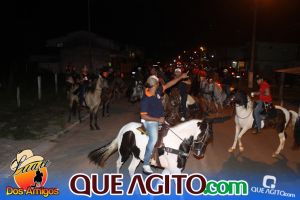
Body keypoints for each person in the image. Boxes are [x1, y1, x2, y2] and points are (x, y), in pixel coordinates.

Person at [140, 72, 189, 174]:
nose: (159, 85)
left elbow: (169, 84)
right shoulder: (146, 99)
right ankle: (145, 164)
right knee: (153, 140)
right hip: (150, 121)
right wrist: (158, 120)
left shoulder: (157, 91)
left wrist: (180, 77)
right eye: (158, 84)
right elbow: (143, 116)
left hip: (160, 118)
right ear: (154, 85)